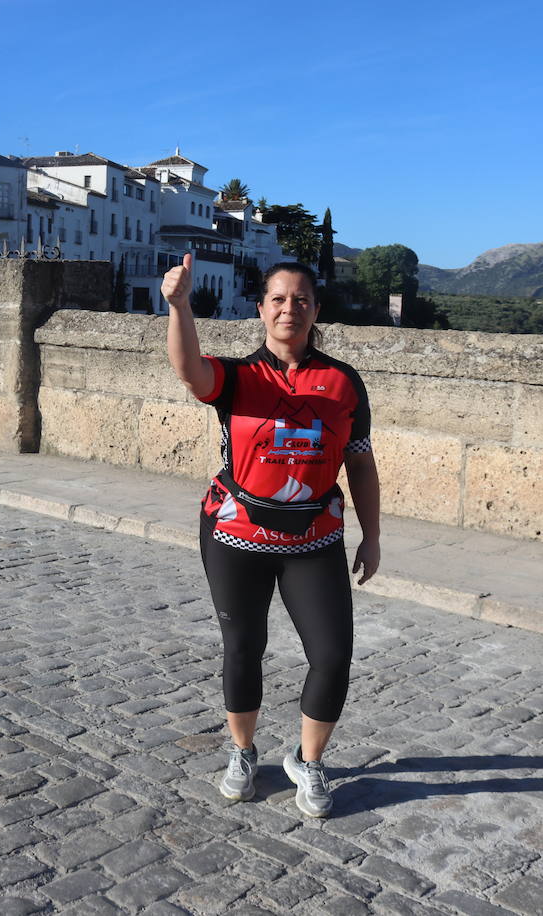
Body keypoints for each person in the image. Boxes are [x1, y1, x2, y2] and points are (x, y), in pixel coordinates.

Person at [162, 254, 381, 818]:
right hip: (237, 534)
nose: (290, 308)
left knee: (332, 655)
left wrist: (372, 536)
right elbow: (190, 372)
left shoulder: (342, 381)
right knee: (244, 647)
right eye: (278, 299)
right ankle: (242, 751)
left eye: (301, 299)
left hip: (314, 537)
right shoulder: (238, 377)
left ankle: (307, 761)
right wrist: (180, 305)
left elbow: (360, 466)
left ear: (315, 310)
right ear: (261, 309)